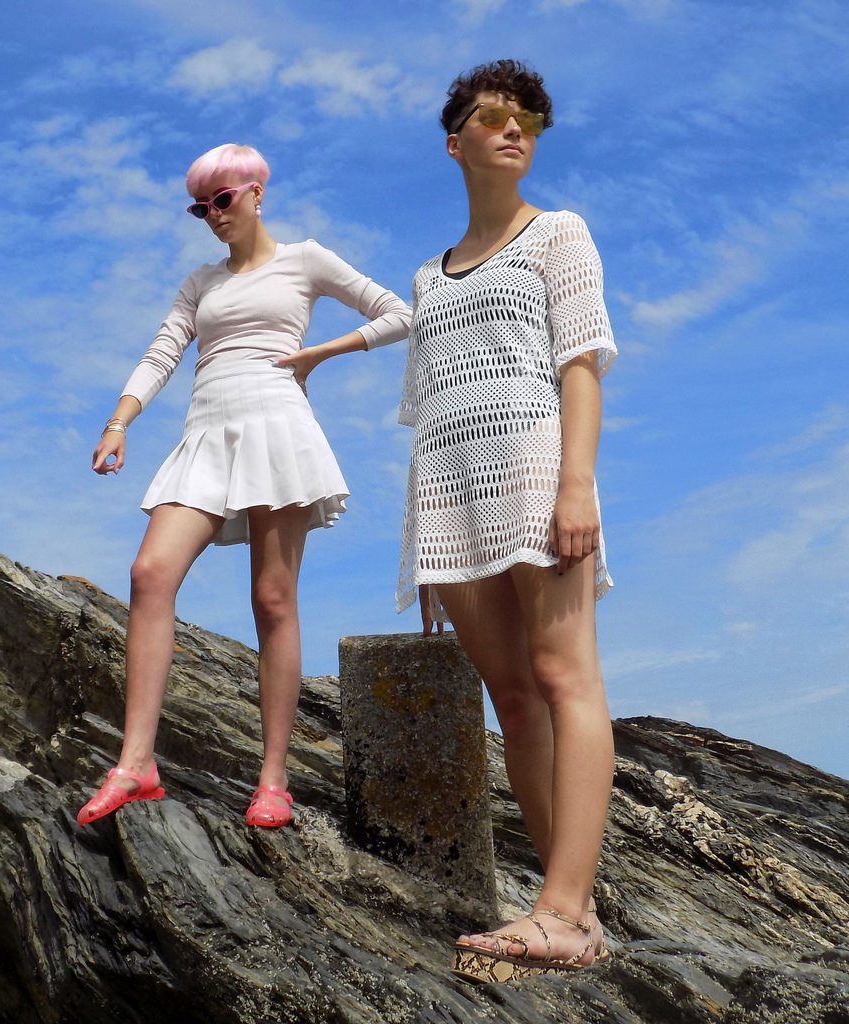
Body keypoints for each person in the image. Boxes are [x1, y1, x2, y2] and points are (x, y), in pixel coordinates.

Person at [78, 143, 411, 829]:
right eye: (199, 207)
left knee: (272, 597)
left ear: (257, 193)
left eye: (222, 199)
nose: (212, 214)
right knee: (149, 573)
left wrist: (321, 353)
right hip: (206, 433)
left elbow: (400, 313)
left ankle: (274, 780)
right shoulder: (201, 282)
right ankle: (136, 763)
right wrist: (119, 422)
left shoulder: (306, 259)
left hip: (277, 428)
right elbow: (162, 352)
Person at [396, 60, 618, 982]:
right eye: (494, 116)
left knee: (566, 676)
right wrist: (426, 547)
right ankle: (577, 913)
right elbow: (430, 411)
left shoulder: (558, 234)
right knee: (513, 699)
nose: (514, 128)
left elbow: (580, 365)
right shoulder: (428, 276)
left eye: (528, 117)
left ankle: (558, 910)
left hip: (536, 478)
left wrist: (577, 484)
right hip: (450, 500)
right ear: (456, 141)